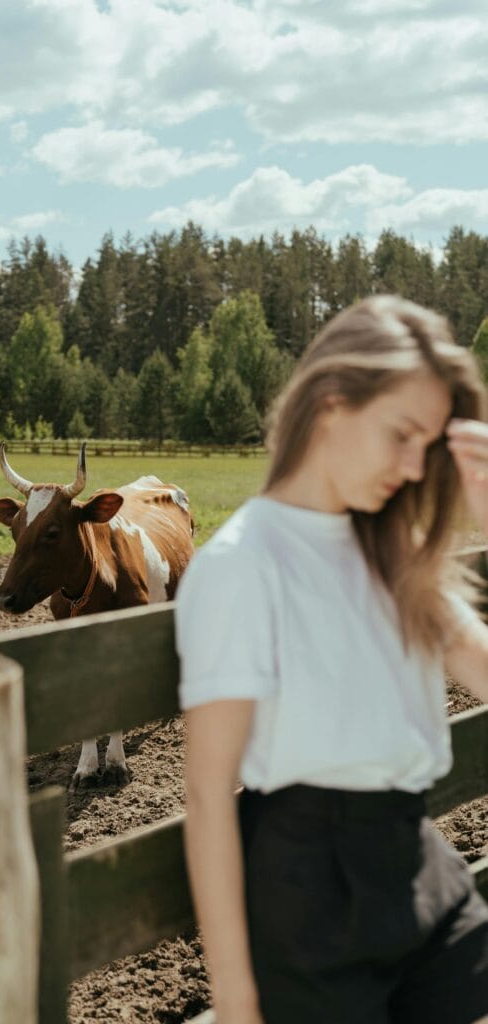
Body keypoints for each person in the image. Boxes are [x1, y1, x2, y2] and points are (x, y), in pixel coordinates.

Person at [175, 295, 488, 1024]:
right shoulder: (243, 564)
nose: (415, 469)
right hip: (310, 892)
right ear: (330, 405)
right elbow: (205, 795)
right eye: (401, 436)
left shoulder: (392, 551)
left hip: (416, 860)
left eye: (429, 446)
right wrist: (234, 997)